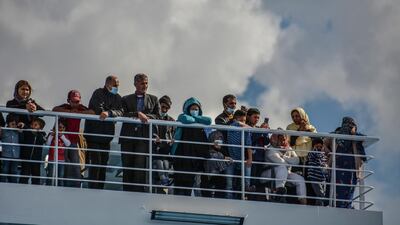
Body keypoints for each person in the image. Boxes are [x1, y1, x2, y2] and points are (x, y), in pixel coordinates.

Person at [119, 73, 160, 192]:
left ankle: (138, 194)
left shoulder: (154, 99)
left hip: (143, 138)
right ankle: (126, 193)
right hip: (127, 137)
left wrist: (145, 116)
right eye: (142, 83)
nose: (145, 85)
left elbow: (157, 116)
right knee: (127, 167)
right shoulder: (125, 99)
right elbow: (122, 113)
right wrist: (137, 114)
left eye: (146, 83)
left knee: (139, 168)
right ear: (135, 84)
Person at [84, 75, 123, 189]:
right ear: (107, 84)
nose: (117, 87)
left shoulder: (118, 98)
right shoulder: (98, 93)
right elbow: (97, 108)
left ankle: (100, 188)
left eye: (118, 85)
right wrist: (104, 112)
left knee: (103, 164)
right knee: (96, 163)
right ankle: (93, 189)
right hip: (93, 135)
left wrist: (109, 113)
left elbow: (120, 111)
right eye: (115, 85)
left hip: (106, 137)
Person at [170, 97, 211, 196]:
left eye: (196, 109)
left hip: (194, 158)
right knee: (179, 181)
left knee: (190, 182)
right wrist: (198, 119)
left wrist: (196, 119)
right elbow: (185, 118)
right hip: (182, 156)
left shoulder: (199, 121)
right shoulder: (182, 117)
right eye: (192, 109)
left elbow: (208, 120)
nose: (194, 111)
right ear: (187, 109)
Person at [53, 90, 94, 187]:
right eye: (73, 101)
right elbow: (55, 109)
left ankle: (75, 186)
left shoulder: (81, 108)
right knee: (63, 163)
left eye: (77, 101)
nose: (76, 104)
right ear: (68, 100)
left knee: (75, 165)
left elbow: (92, 112)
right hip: (62, 141)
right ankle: (61, 185)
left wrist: (79, 113)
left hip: (73, 142)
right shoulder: (65, 106)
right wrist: (70, 112)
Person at [262, 131, 307, 204]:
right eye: (280, 139)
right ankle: (280, 194)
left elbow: (297, 160)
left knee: (300, 179)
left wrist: (284, 157)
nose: (282, 141)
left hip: (284, 174)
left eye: (284, 139)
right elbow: (280, 162)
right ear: (275, 139)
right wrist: (289, 161)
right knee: (282, 167)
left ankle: (303, 203)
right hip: (267, 175)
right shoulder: (270, 149)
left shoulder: (288, 148)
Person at [334, 117, 366, 208]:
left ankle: (347, 206)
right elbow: (326, 140)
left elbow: (364, 138)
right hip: (338, 166)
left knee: (350, 187)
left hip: (351, 167)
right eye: (347, 124)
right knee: (338, 187)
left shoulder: (356, 136)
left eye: (351, 124)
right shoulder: (338, 134)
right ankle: (339, 206)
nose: (348, 126)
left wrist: (353, 134)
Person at [225, 109, 253, 199]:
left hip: (242, 158)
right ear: (235, 119)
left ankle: (245, 192)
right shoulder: (231, 127)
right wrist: (245, 125)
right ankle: (229, 198)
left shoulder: (246, 130)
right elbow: (238, 124)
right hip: (230, 158)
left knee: (245, 179)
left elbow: (249, 145)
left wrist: (250, 159)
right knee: (229, 183)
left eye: (244, 120)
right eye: (241, 120)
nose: (243, 122)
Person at [286, 107, 317, 176]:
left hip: (309, 158)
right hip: (295, 157)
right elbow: (290, 142)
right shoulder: (290, 127)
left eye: (297, 116)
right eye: (293, 116)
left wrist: (306, 129)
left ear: (302, 115)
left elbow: (316, 140)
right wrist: (299, 130)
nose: (294, 118)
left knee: (308, 179)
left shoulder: (311, 128)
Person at [153, 95, 175, 190]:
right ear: (158, 106)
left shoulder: (171, 121)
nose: (165, 109)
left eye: (167, 108)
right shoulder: (153, 117)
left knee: (165, 163)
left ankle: (164, 181)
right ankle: (164, 180)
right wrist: (154, 138)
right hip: (155, 149)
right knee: (159, 162)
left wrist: (172, 141)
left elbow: (173, 135)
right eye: (163, 107)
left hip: (165, 150)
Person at [202, 131, 232, 198]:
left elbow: (228, 162)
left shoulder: (222, 151)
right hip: (208, 176)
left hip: (218, 177)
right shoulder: (207, 150)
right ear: (212, 140)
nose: (219, 143)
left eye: (221, 141)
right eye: (217, 141)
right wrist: (223, 157)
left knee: (222, 182)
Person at [19, 117, 46, 185]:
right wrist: (24, 126)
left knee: (36, 176)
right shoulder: (28, 132)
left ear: (40, 128)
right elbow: (26, 130)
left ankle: (36, 190)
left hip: (36, 160)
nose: (32, 126)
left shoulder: (42, 135)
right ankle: (21, 189)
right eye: (32, 125)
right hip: (26, 158)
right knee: (24, 175)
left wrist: (39, 133)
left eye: (35, 125)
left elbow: (43, 140)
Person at [46, 119, 71, 186]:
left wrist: (61, 136)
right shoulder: (52, 134)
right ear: (56, 127)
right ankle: (48, 188)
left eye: (63, 127)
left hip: (61, 159)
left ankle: (60, 188)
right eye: (60, 127)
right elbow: (47, 143)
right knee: (50, 174)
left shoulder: (65, 135)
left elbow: (68, 144)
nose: (61, 129)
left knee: (61, 175)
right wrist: (51, 135)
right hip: (52, 158)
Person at [306, 138, 329, 206]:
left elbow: (324, 165)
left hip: (322, 179)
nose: (319, 148)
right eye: (317, 147)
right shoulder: (311, 153)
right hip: (314, 178)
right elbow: (316, 155)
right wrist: (316, 150)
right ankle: (321, 207)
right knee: (320, 194)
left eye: (320, 147)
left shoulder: (323, 156)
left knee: (322, 194)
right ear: (313, 147)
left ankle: (318, 207)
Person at [0, 114, 23, 183]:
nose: (13, 124)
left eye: (15, 122)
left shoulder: (18, 131)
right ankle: (2, 184)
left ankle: (14, 185)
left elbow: (22, 140)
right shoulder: (4, 130)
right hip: (5, 154)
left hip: (16, 155)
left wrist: (21, 131)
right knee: (4, 169)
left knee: (14, 170)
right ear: (8, 122)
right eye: (11, 122)